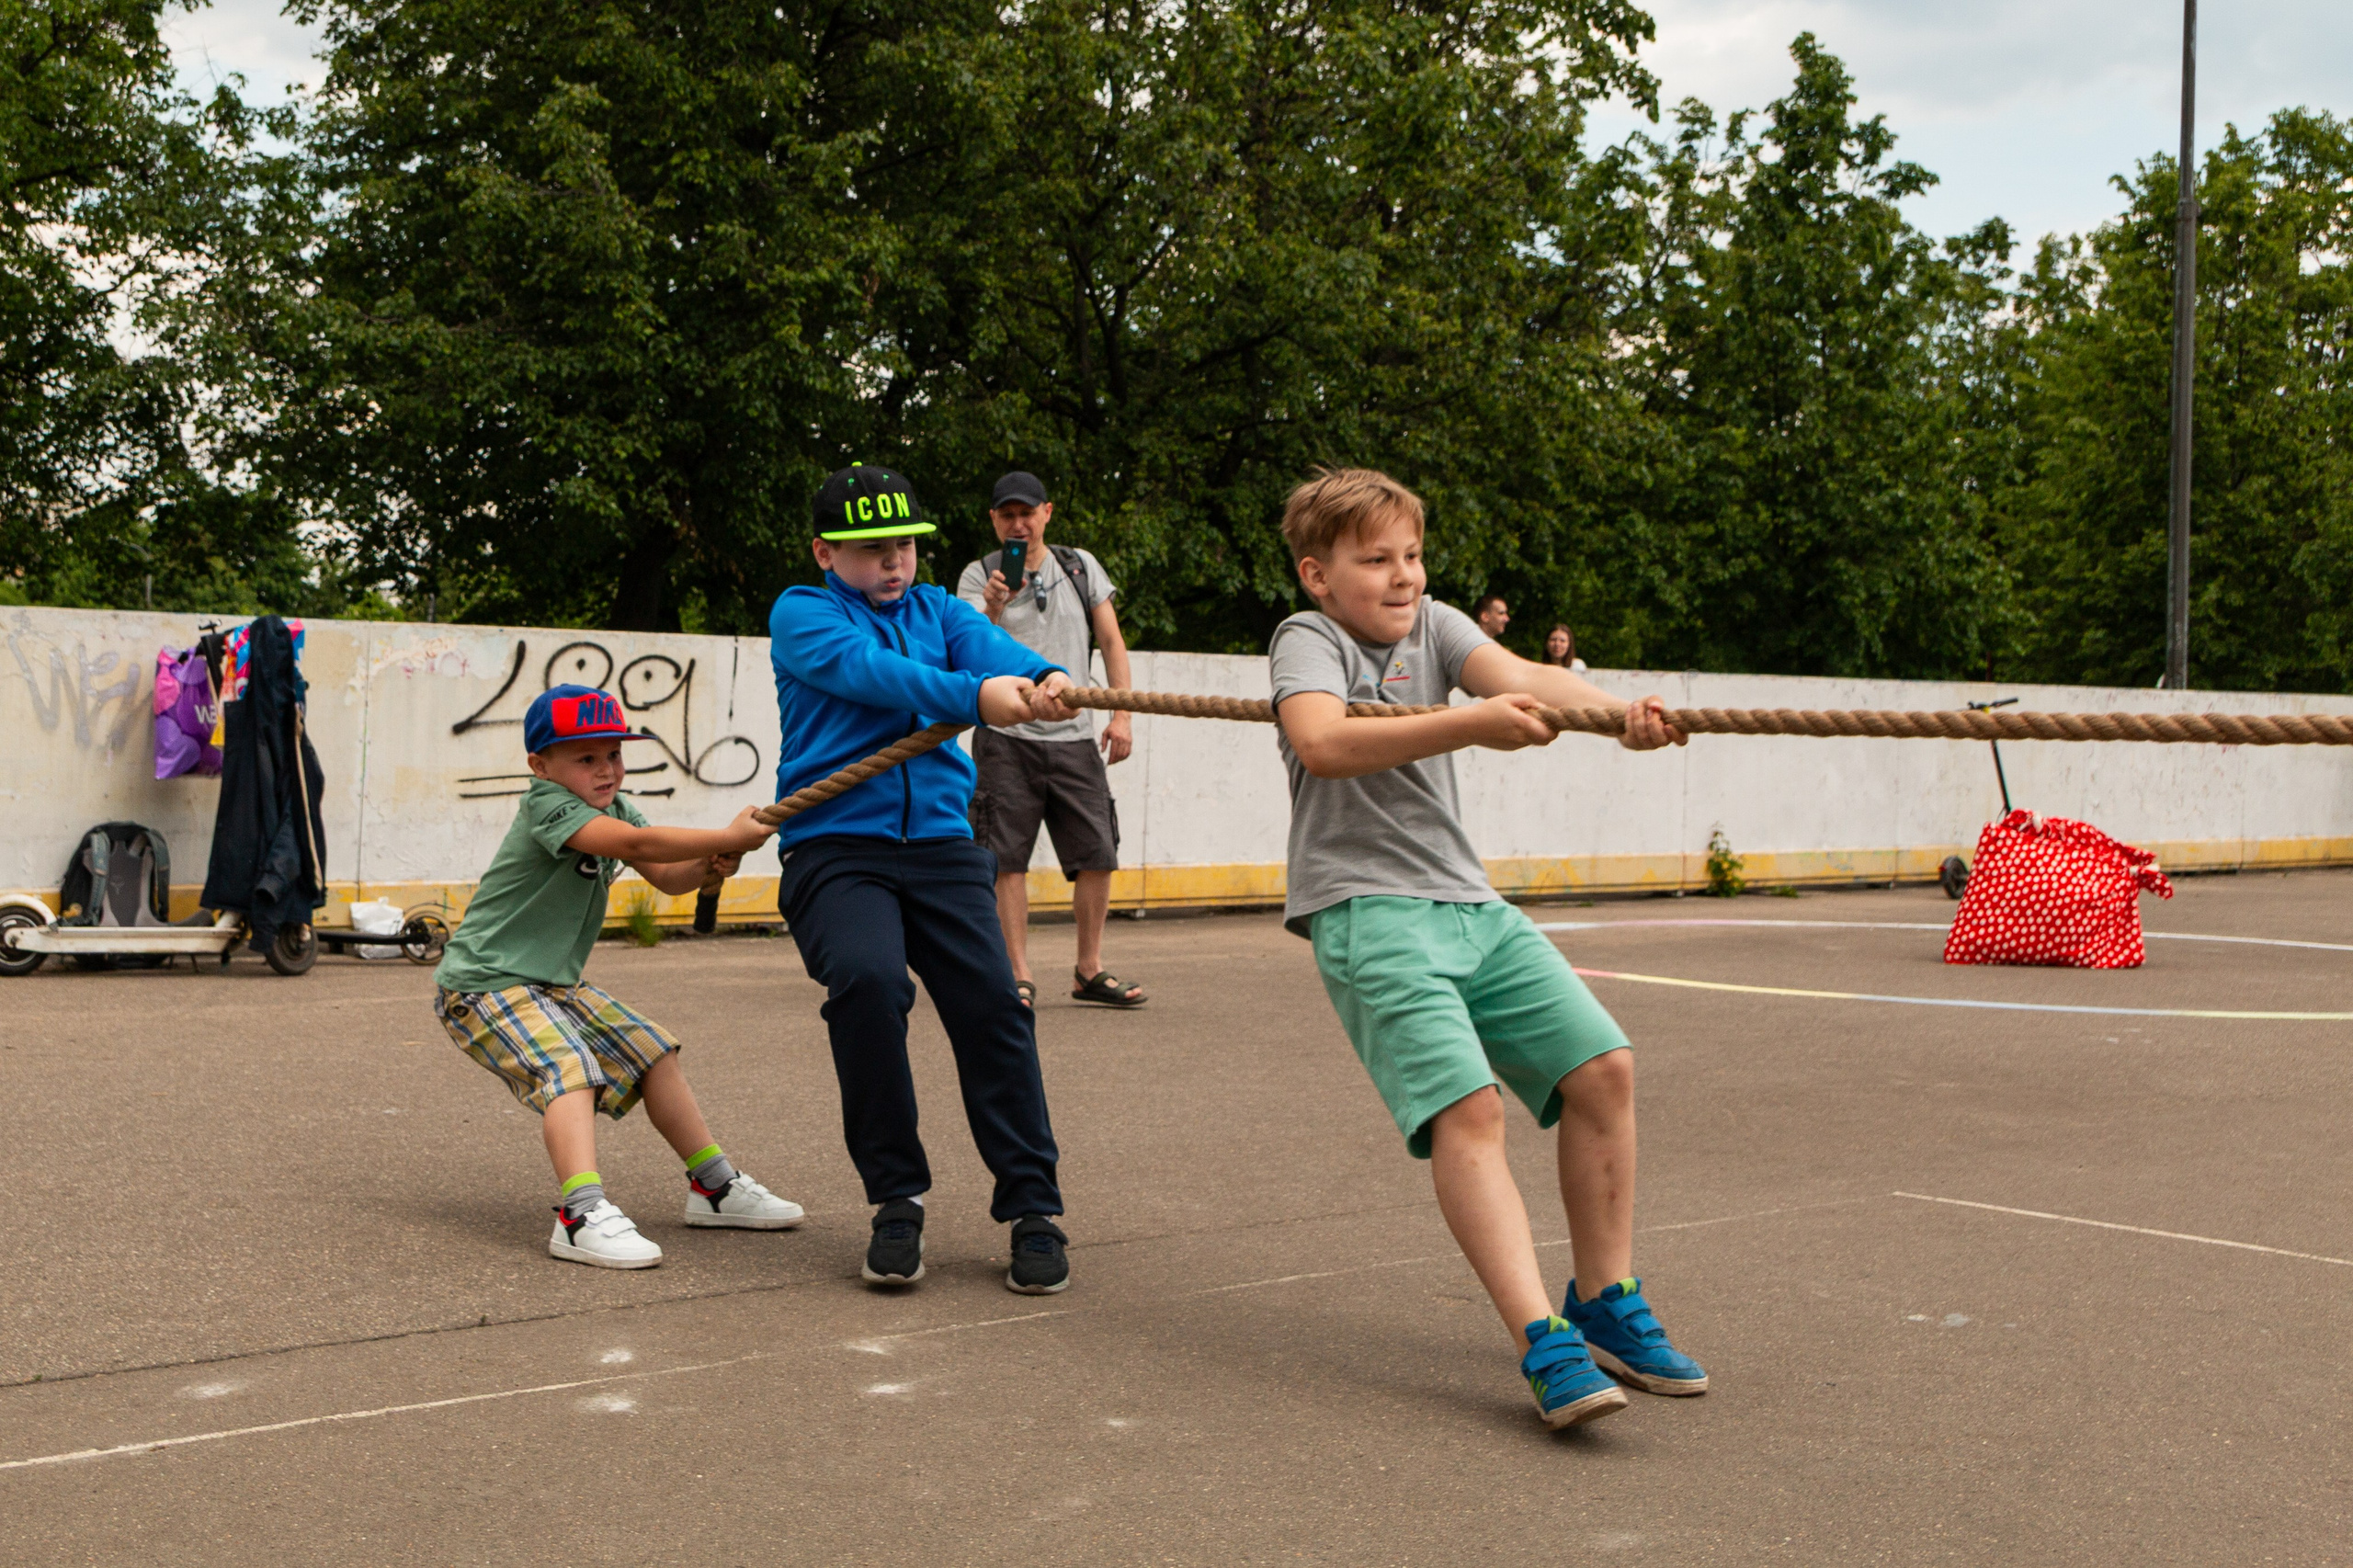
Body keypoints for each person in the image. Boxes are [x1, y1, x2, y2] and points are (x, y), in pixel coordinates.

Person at [1267, 468, 1706, 1429]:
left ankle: (1602, 1300)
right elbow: (1323, 741)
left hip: (1467, 902)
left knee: (1603, 1068)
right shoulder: (1308, 638)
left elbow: (1527, 679)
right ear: (1317, 573)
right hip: (1366, 910)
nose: (1402, 577)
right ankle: (1541, 1338)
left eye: (1412, 555)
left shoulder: (1439, 627)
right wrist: (1471, 724)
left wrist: (1610, 715)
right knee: (1467, 1109)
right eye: (1374, 559)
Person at [770, 461, 1085, 1295]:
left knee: (994, 1004)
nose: (894, 560)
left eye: (904, 543)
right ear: (825, 553)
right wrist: (980, 695)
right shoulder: (802, 613)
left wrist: (1044, 678)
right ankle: (896, 1201)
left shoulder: (944, 610)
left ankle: (1033, 1211)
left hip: (944, 847)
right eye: (872, 548)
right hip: (836, 847)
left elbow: (999, 649)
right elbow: (876, 678)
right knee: (870, 987)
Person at [433, 685, 803, 1270]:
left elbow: (667, 876)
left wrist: (709, 864)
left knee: (654, 1052)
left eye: (614, 755)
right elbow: (634, 844)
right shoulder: (547, 806)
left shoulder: (617, 808)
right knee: (567, 1067)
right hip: (484, 984)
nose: (606, 770)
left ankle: (715, 1187)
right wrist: (725, 837)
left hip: (553, 986)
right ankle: (580, 1216)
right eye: (586, 758)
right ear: (541, 766)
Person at [956, 472, 1146, 1010]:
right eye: (1006, 515)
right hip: (1004, 736)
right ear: (994, 521)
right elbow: (967, 643)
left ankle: (1090, 970)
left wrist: (1122, 714)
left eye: (1027, 513)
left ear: (1047, 513)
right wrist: (993, 603)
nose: (1018, 524)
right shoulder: (979, 574)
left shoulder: (1079, 566)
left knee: (1098, 852)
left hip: (1075, 734)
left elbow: (1111, 639)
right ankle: (1017, 974)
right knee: (1004, 857)